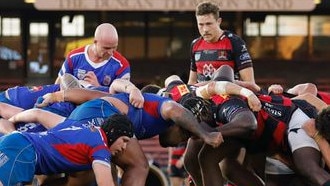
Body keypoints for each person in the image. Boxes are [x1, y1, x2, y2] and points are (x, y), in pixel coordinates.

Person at [29, 79, 224, 186]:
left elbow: (97, 94)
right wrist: (205, 135)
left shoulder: (132, 105)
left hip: (83, 118)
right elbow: (175, 109)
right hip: (98, 117)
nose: (182, 141)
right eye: (185, 135)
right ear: (177, 124)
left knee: (86, 174)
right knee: (139, 166)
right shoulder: (162, 106)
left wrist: (59, 96)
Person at [0, 113, 134, 186]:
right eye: (124, 140)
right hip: (24, 152)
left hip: (19, 144)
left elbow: (38, 113)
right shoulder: (100, 147)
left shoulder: (79, 124)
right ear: (113, 132)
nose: (124, 147)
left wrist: (11, 122)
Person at [188, 1, 255, 85]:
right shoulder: (195, 44)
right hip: (202, 96)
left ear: (219, 21)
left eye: (209, 24)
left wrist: (221, 83)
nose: (205, 29)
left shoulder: (235, 42)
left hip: (229, 95)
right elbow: (191, 82)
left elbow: (250, 84)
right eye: (201, 25)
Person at [55, 23, 130, 92]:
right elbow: (59, 84)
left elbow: (122, 97)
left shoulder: (122, 65)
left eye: (114, 47)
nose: (111, 52)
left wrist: (97, 87)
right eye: (106, 48)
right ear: (95, 42)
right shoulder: (73, 57)